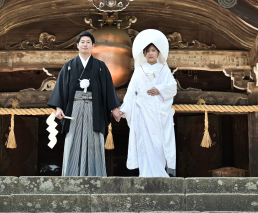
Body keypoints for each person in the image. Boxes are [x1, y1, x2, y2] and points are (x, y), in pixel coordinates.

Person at [47, 30, 122, 176]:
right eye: (82, 42)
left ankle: (96, 175)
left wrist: (114, 108)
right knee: (73, 138)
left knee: (94, 139)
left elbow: (107, 88)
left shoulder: (100, 66)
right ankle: (71, 175)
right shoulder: (68, 66)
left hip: (95, 108)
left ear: (93, 45)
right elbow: (61, 88)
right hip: (74, 106)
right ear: (77, 45)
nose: (85, 45)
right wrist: (58, 108)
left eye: (88, 42)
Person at [119, 29, 177, 177]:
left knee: (159, 142)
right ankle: (145, 174)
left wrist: (159, 89)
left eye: (153, 50)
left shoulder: (164, 70)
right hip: (142, 112)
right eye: (147, 51)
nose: (150, 53)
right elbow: (131, 92)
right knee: (144, 142)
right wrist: (125, 108)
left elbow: (172, 87)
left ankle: (161, 172)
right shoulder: (138, 71)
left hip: (159, 112)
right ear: (143, 54)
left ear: (158, 53)